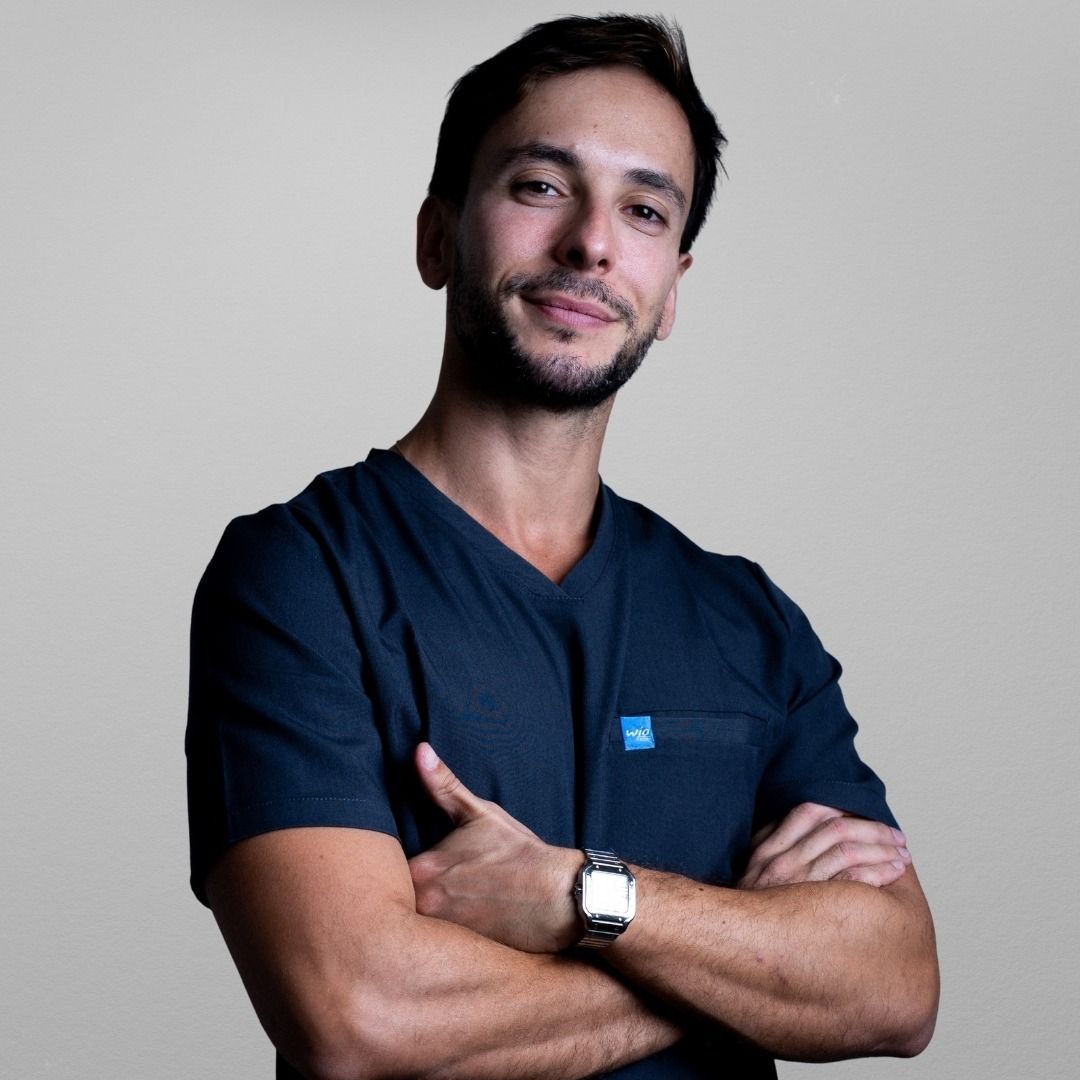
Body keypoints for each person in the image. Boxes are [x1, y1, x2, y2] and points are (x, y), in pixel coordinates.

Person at [186, 15, 939, 1079]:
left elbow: (896, 987)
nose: (592, 244)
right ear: (438, 238)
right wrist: (744, 954)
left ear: (671, 289)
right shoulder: (302, 578)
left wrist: (580, 896)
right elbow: (358, 1015)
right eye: (541, 186)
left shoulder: (748, 623)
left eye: (644, 210)